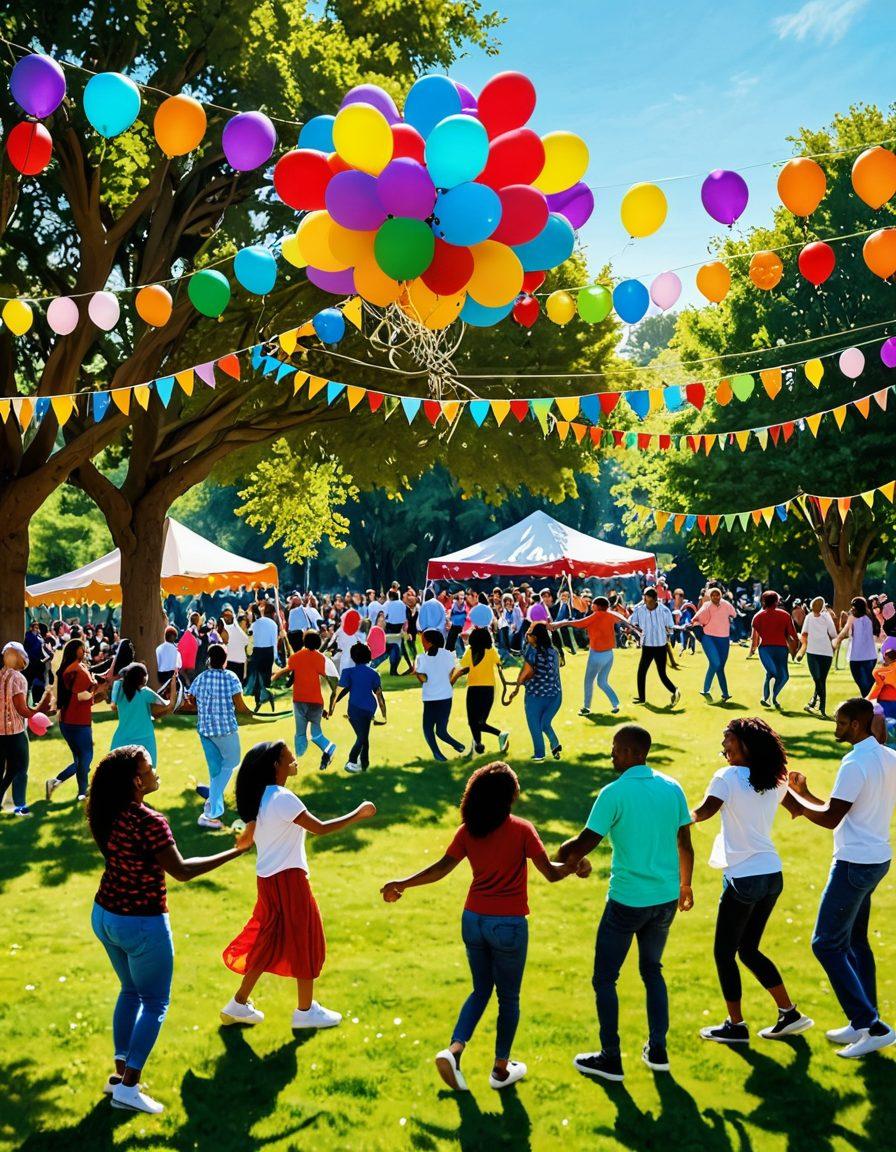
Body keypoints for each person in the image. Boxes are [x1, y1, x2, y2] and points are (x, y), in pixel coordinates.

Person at [380, 761, 590, 1092]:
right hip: (507, 925)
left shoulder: (468, 831)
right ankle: (501, 1070)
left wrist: (402, 883)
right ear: (510, 795)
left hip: (473, 919)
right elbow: (550, 872)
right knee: (509, 998)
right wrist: (575, 866)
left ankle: (454, 1051)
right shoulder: (522, 829)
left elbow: (441, 869)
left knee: (481, 990)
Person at [89, 744, 251, 1114]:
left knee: (130, 991)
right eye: (148, 768)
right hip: (141, 923)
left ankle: (118, 1076)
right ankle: (129, 1088)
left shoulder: (106, 812)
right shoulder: (150, 821)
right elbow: (182, 871)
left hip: (104, 915)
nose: (155, 771)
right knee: (155, 1001)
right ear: (135, 780)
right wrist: (238, 851)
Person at [555, 724, 694, 1081]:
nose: (611, 754)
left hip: (627, 902)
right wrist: (685, 885)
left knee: (605, 978)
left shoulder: (613, 793)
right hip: (665, 899)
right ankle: (658, 1049)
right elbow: (685, 844)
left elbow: (584, 844)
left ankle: (610, 1057)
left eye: (616, 749)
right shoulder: (672, 787)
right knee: (652, 971)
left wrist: (563, 853)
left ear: (633, 752)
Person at [221, 740, 376, 1030]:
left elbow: (247, 840)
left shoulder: (261, 798)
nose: (294, 760)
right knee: (306, 938)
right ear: (275, 766)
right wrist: (358, 814)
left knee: (268, 940)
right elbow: (320, 828)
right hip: (289, 879)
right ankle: (305, 1011)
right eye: (289, 757)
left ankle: (239, 1003)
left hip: (267, 880)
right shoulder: (282, 797)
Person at [784, 697, 896, 1058]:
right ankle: (864, 1022)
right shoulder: (888, 757)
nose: (836, 727)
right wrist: (806, 795)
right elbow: (842, 809)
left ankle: (873, 1025)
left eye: (842, 722)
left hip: (853, 865)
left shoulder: (853, 763)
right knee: (855, 942)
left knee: (826, 944)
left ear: (858, 725)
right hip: (877, 858)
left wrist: (796, 805)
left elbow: (832, 819)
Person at [691, 718, 813, 1043]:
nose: (723, 747)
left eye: (728, 740)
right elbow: (799, 809)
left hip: (743, 878)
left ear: (746, 743)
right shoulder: (774, 779)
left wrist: (671, 815)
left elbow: (702, 812)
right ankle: (789, 1013)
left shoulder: (727, 777)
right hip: (772, 875)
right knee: (748, 949)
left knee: (724, 953)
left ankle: (736, 1026)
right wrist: (803, 790)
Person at [187, 644, 245, 830]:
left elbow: (192, 700)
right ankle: (209, 812)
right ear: (225, 660)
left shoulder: (200, 678)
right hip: (225, 731)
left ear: (209, 660)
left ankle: (214, 805)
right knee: (232, 763)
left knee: (216, 770)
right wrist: (253, 715)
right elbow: (241, 705)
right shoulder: (231, 678)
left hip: (205, 731)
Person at [550, 596, 632, 716]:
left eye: (593, 604)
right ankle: (616, 704)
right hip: (609, 654)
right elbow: (621, 618)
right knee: (602, 682)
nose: (591, 605)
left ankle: (586, 708)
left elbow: (577, 623)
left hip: (597, 655)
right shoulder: (610, 615)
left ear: (598, 606)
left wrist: (560, 623)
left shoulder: (595, 616)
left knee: (588, 681)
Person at [46, 637, 106, 802]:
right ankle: (64, 783)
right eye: (82, 648)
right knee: (86, 757)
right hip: (78, 721)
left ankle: (79, 791)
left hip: (68, 720)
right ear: (75, 651)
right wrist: (99, 689)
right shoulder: (77, 669)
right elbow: (81, 696)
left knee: (80, 759)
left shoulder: (73, 668)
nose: (85, 649)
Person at [273, 630, 338, 771]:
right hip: (316, 703)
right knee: (315, 734)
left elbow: (288, 666)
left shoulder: (296, 657)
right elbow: (332, 681)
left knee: (300, 733)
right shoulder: (321, 659)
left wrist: (273, 677)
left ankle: (300, 759)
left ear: (304, 641)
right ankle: (310, 756)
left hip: (299, 701)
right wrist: (330, 708)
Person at [0, 641, 52, 816]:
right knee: (20, 769)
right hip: (14, 733)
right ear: (20, 658)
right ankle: (19, 807)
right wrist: (40, 707)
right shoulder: (18, 678)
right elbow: (22, 709)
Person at [507, 621, 563, 763]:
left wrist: (517, 687)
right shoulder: (554, 651)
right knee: (544, 723)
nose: (527, 635)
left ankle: (539, 754)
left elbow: (526, 671)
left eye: (530, 633)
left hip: (535, 696)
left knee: (535, 725)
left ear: (536, 637)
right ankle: (555, 745)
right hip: (555, 696)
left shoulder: (532, 651)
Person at [450, 627, 510, 757]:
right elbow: (499, 662)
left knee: (474, 721)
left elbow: (465, 668)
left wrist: (453, 678)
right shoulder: (491, 650)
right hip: (488, 689)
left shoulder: (469, 651)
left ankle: (499, 734)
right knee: (478, 721)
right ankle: (478, 745)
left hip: (474, 689)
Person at [331, 642, 387, 773]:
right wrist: (384, 715)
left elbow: (339, 693)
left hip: (353, 709)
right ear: (369, 656)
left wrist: (331, 707)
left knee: (362, 736)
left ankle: (359, 763)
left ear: (352, 657)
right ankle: (357, 762)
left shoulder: (347, 672)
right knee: (362, 737)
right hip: (368, 709)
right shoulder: (374, 674)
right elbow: (379, 695)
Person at [110, 663, 177, 768]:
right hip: (145, 740)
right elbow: (169, 704)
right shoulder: (145, 692)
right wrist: (173, 683)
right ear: (143, 677)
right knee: (147, 777)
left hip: (121, 739)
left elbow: (114, 701)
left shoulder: (120, 691)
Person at [415, 629, 465, 762]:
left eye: (423, 641)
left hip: (430, 698)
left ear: (430, 643)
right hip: (446, 696)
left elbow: (423, 680)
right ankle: (458, 746)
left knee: (428, 728)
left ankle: (438, 754)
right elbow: (450, 674)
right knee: (441, 730)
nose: (422, 644)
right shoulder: (448, 655)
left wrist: (416, 673)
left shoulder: (421, 658)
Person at [629, 587, 680, 708]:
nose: (646, 601)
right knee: (641, 672)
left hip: (660, 646)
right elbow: (632, 621)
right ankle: (642, 698)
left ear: (654, 599)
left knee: (662, 674)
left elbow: (671, 628)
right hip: (647, 645)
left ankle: (675, 691)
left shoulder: (664, 610)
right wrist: (635, 627)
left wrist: (669, 630)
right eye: (645, 598)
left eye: (648, 598)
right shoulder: (639, 609)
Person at [749, 591, 798, 709]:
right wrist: (795, 649)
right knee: (783, 676)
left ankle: (769, 698)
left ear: (763, 601)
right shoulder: (785, 615)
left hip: (765, 649)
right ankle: (771, 698)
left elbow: (754, 636)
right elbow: (793, 635)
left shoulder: (757, 616)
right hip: (781, 649)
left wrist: (753, 648)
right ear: (777, 601)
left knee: (772, 673)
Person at [690, 587, 736, 701]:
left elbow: (734, 614)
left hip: (724, 639)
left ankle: (725, 694)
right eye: (713, 595)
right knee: (715, 663)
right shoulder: (706, 605)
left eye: (718, 595)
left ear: (721, 595)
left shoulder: (726, 604)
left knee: (720, 667)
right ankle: (706, 690)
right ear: (710, 596)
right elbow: (695, 619)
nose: (716, 597)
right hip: (708, 637)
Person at [796, 597, 837, 717]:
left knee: (818, 680)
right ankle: (816, 703)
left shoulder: (809, 617)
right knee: (820, 680)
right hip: (825, 652)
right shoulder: (826, 616)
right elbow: (833, 633)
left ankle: (821, 707)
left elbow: (804, 633)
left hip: (814, 652)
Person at [835, 597, 879, 698]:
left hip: (857, 657)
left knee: (865, 687)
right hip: (871, 656)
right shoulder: (870, 617)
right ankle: (873, 705)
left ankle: (870, 707)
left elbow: (845, 632)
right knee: (869, 685)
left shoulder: (853, 619)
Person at [247, 603, 280, 712]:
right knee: (264, 679)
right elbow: (274, 642)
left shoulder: (253, 625)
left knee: (258, 678)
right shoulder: (272, 624)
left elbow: (251, 641)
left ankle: (260, 700)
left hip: (257, 653)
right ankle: (266, 697)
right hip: (268, 652)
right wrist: (275, 656)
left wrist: (249, 654)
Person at [220, 606, 250, 682]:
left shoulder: (223, 630)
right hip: (236, 662)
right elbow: (246, 641)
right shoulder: (238, 631)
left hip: (231, 662)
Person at [869, 648, 896, 719]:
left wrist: (870, 697)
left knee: (887, 722)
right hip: (890, 700)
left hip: (885, 700)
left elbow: (879, 684)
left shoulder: (881, 672)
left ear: (886, 657)